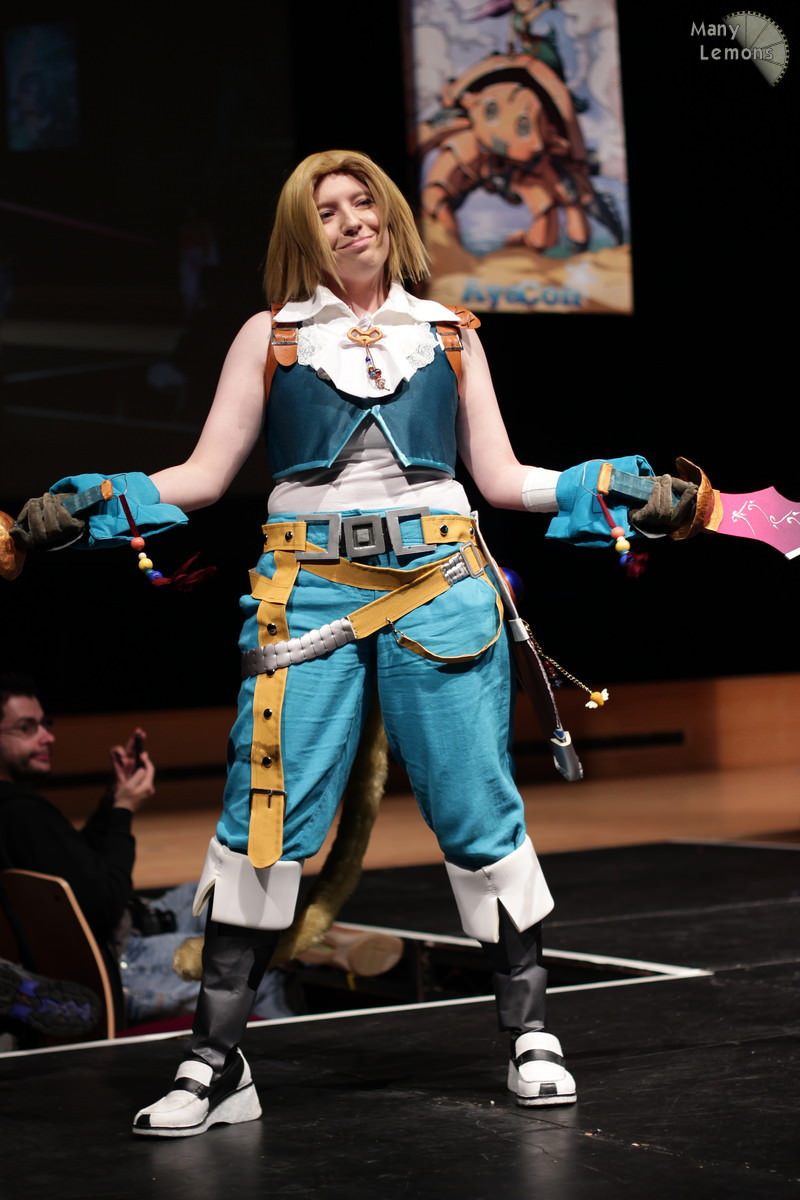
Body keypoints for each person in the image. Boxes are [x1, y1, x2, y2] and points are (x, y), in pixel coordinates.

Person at [10, 149, 692, 1137]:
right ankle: (216, 1061)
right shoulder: (272, 336)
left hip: (441, 584)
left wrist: (618, 490)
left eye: (361, 201)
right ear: (305, 231)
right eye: (325, 209)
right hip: (304, 590)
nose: (348, 220)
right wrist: (82, 507)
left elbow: (503, 479)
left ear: (389, 215)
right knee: (264, 817)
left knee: (475, 808)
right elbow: (202, 476)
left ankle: (530, 1032)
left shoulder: (449, 333)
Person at [0, 674, 399, 1031]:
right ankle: (295, 983)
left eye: (45, 724)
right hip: (122, 958)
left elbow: (78, 868)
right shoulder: (23, 813)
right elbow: (105, 901)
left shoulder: (19, 811)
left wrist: (113, 802)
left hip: (127, 927)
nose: (47, 737)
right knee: (255, 968)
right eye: (26, 728)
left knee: (230, 893)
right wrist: (123, 811)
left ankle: (301, 941)